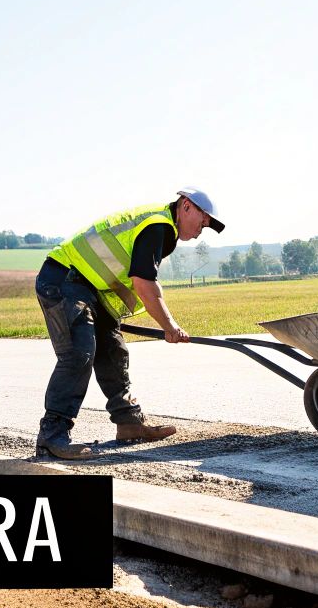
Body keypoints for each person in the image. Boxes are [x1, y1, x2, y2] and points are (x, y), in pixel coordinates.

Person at [33, 187, 225, 459]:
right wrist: (169, 326)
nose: (200, 230)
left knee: (112, 350)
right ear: (186, 206)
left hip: (89, 288)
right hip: (64, 279)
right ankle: (52, 436)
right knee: (79, 353)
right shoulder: (158, 225)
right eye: (201, 221)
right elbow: (144, 282)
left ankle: (129, 423)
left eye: (205, 227)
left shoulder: (162, 229)